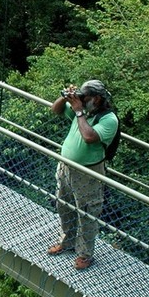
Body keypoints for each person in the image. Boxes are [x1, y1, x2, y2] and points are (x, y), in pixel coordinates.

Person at [47, 79, 118, 270]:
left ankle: (85, 254)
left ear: (96, 98)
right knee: (64, 205)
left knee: (87, 213)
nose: (81, 100)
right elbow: (55, 110)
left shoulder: (108, 119)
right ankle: (67, 242)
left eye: (84, 97)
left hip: (88, 173)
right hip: (66, 167)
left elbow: (89, 137)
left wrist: (78, 110)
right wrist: (64, 97)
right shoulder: (85, 109)